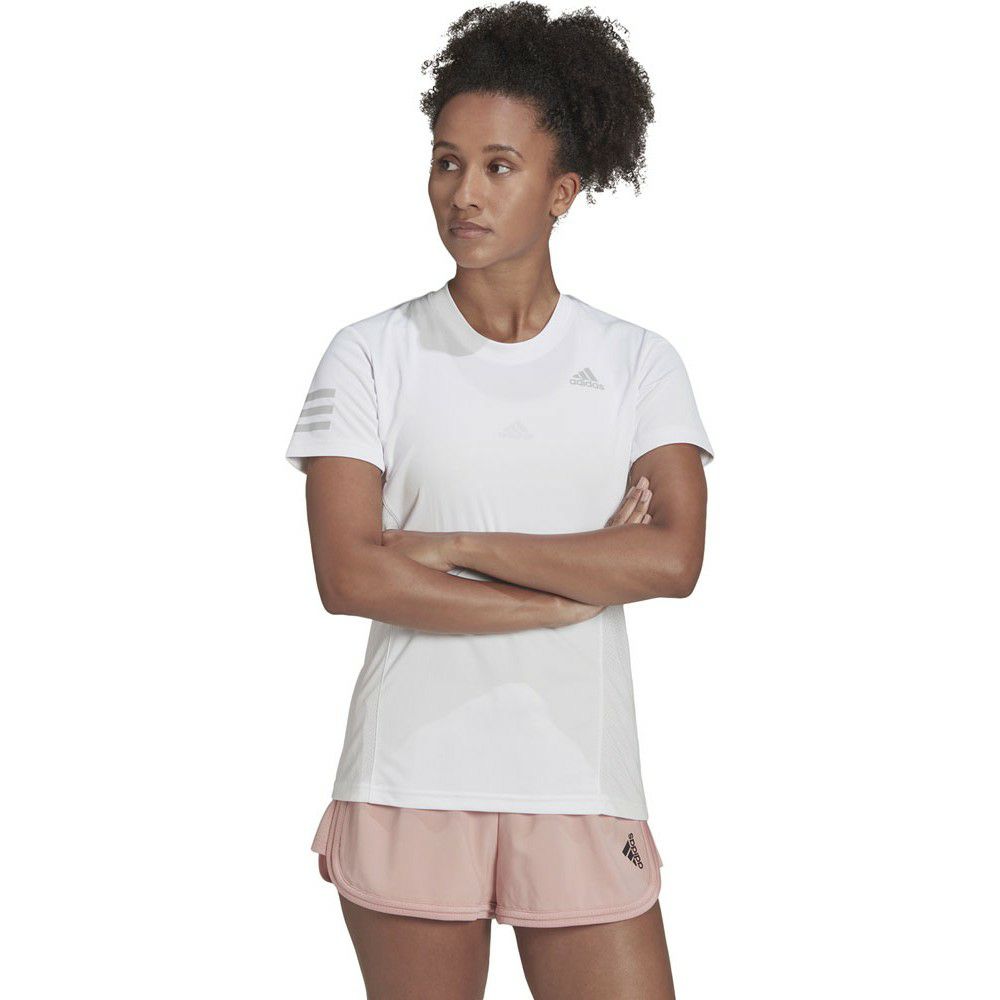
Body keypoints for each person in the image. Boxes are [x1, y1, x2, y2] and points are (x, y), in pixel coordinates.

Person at [285, 4, 714, 997]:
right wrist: (562, 597)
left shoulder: (637, 362)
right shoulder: (369, 354)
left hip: (580, 781)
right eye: (446, 162)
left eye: (498, 166)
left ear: (563, 191)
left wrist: (446, 545)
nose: (463, 192)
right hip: (409, 777)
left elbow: (671, 557)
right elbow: (349, 575)